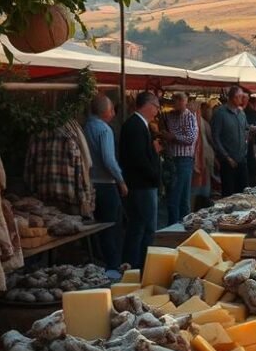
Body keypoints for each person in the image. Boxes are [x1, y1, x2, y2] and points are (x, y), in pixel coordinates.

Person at [82, 94, 126, 278]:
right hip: (106, 185)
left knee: (98, 228)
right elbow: (108, 159)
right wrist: (121, 180)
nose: (114, 113)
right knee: (111, 227)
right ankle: (113, 268)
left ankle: (100, 265)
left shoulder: (85, 127)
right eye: (112, 109)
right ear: (106, 111)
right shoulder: (104, 129)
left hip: (89, 184)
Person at [119, 91, 162, 268]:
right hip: (141, 185)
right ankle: (139, 266)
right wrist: (154, 174)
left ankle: (137, 265)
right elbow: (137, 158)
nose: (157, 111)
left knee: (140, 226)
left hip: (142, 184)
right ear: (148, 105)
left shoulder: (138, 125)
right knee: (143, 227)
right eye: (157, 107)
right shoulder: (135, 125)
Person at [163, 92, 198, 226]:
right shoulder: (169, 116)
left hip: (184, 160)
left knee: (179, 197)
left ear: (185, 102)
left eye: (179, 101)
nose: (176, 104)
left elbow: (191, 139)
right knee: (175, 196)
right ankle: (175, 226)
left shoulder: (190, 116)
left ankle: (180, 226)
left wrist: (173, 137)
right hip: (172, 158)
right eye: (174, 101)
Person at [211, 86, 249, 197]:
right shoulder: (220, 113)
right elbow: (215, 137)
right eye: (241, 97)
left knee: (244, 192)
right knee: (228, 193)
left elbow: (245, 129)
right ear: (234, 98)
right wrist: (226, 157)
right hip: (228, 161)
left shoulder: (241, 114)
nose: (242, 100)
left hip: (242, 158)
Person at [191, 99, 215, 211]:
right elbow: (211, 140)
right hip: (201, 160)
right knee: (199, 187)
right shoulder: (201, 122)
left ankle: (196, 207)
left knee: (198, 187)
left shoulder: (200, 121)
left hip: (201, 159)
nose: (210, 113)